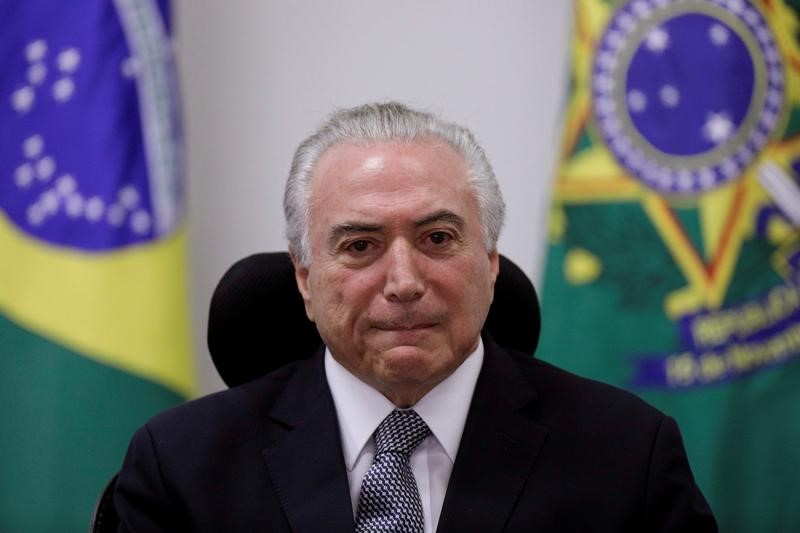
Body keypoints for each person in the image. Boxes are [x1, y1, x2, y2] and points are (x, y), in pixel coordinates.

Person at [114, 102, 717, 532]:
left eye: (436, 238)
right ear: (304, 277)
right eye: (359, 246)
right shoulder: (181, 465)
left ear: (489, 260)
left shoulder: (628, 455)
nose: (404, 282)